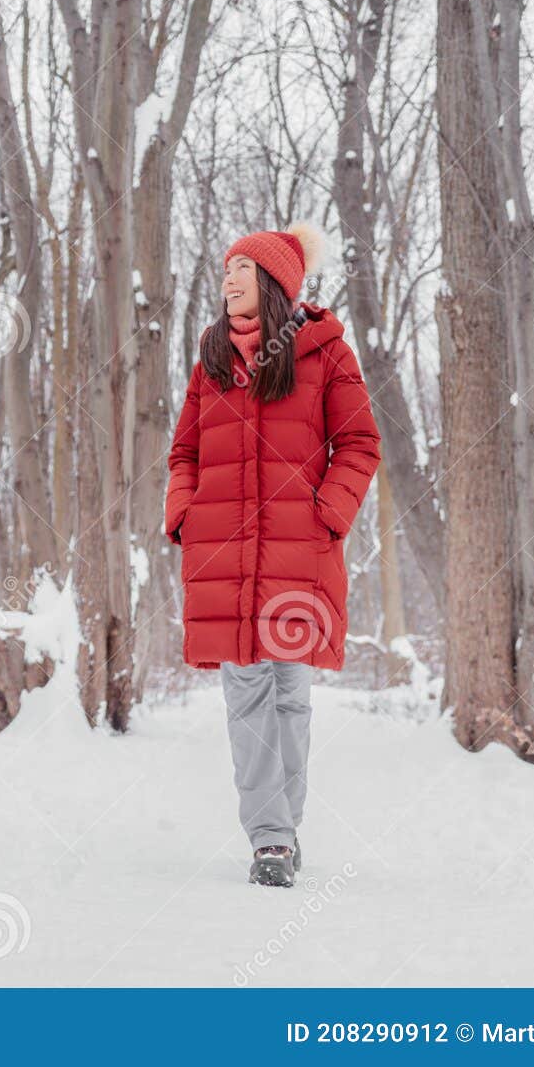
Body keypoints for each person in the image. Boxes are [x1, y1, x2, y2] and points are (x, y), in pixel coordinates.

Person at [164, 223, 381, 887]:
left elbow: (360, 443)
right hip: (226, 556)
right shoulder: (211, 361)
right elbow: (185, 453)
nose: (227, 278)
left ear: (275, 282)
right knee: (247, 692)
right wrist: (183, 513)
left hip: (298, 555)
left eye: (241, 268)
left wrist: (329, 514)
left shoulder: (325, 353)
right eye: (225, 268)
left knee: (290, 693)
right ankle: (270, 837)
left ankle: (284, 824)